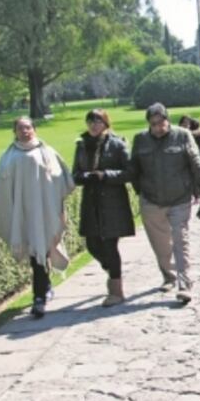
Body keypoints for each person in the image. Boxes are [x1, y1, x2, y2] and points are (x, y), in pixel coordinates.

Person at [0, 117, 75, 318]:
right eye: (20, 128)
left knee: (43, 250)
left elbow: (61, 180)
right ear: (15, 132)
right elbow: (1, 190)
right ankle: (42, 292)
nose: (25, 131)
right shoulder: (9, 157)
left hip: (45, 211)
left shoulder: (46, 152)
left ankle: (40, 295)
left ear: (34, 129)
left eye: (28, 127)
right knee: (34, 253)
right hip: (23, 213)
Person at [130, 103, 200, 304]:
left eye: (162, 122)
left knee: (180, 239)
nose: (159, 127)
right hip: (151, 200)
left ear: (168, 119)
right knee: (161, 246)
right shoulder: (141, 140)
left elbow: (197, 165)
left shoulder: (182, 135)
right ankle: (168, 275)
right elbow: (134, 169)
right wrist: (140, 191)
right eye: (154, 123)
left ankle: (184, 283)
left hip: (179, 197)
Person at [71, 109, 135, 307]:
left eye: (97, 121)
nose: (93, 125)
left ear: (105, 123)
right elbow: (75, 173)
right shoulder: (81, 145)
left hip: (112, 201)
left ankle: (116, 291)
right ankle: (111, 269)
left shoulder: (116, 144)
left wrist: (105, 175)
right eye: (90, 121)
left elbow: (129, 172)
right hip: (91, 201)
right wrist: (84, 177)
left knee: (109, 244)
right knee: (92, 244)